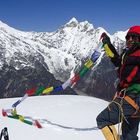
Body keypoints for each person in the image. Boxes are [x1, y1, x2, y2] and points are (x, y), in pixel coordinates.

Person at [96, 26, 140, 140]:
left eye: (134, 37)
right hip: (134, 100)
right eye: (128, 37)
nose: (130, 39)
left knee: (103, 119)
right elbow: (117, 61)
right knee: (129, 134)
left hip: (132, 96)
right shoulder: (128, 54)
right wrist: (107, 45)